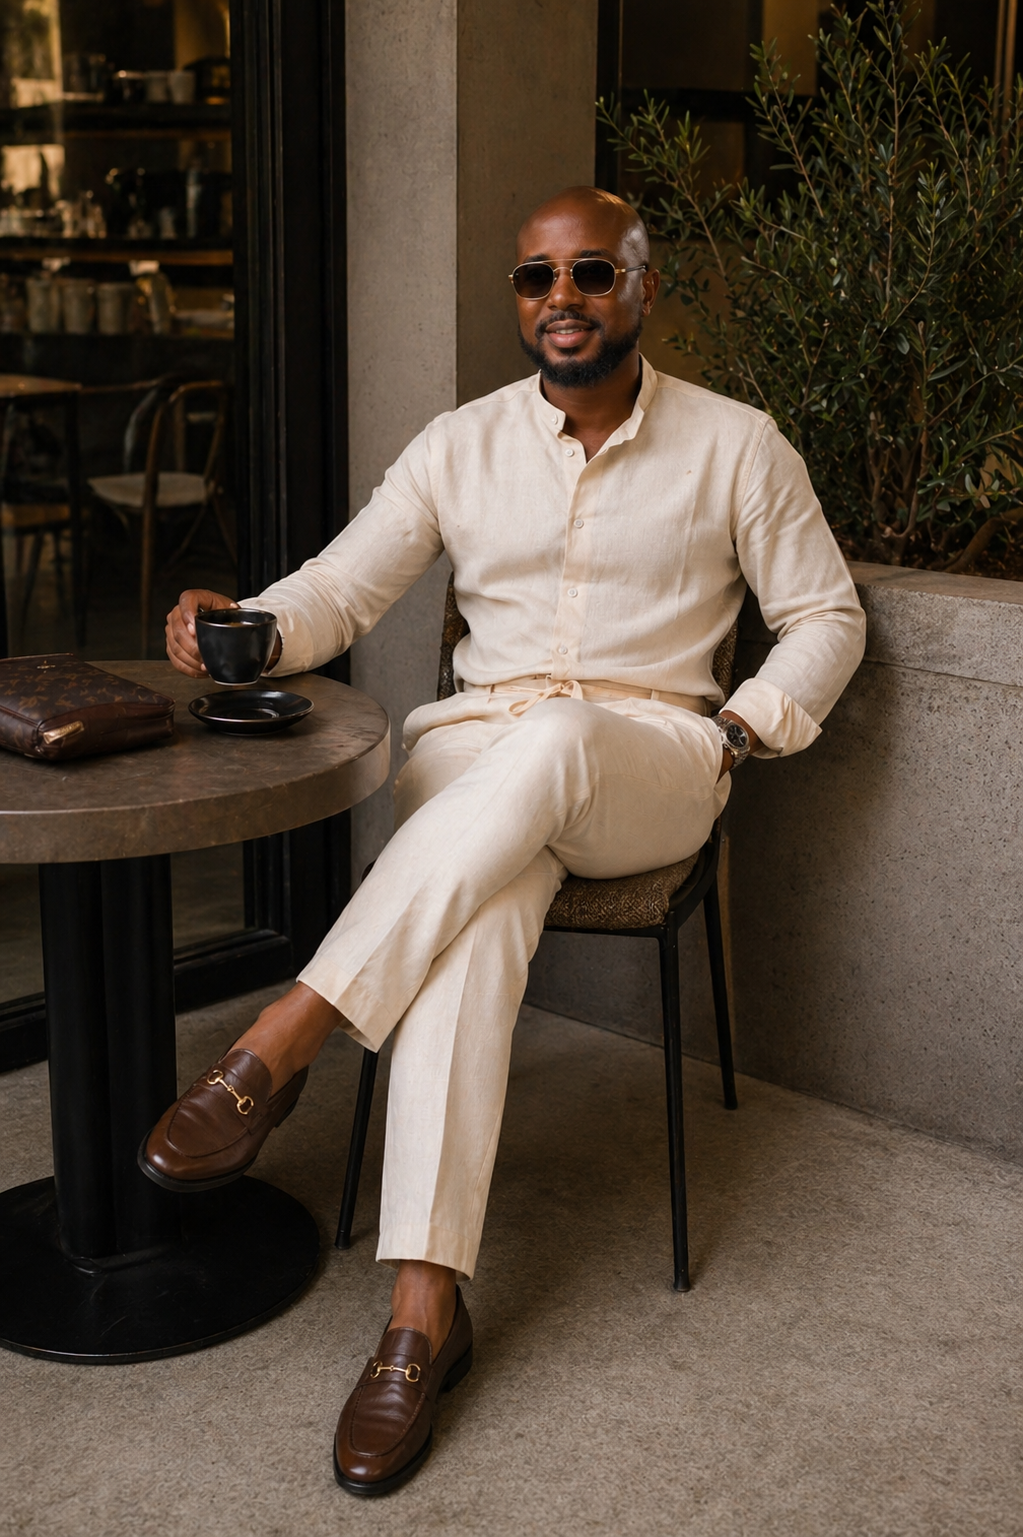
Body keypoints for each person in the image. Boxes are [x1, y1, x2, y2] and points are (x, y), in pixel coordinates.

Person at [142, 186, 865, 1496]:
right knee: (472, 917)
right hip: (481, 770)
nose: (563, 299)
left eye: (592, 272)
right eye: (537, 280)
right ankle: (423, 1317)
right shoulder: (458, 446)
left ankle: (285, 1034)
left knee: (560, 738)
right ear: (517, 301)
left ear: (644, 286)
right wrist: (233, 617)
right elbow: (339, 589)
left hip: (644, 763)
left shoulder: (736, 446)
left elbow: (825, 616)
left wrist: (747, 727)